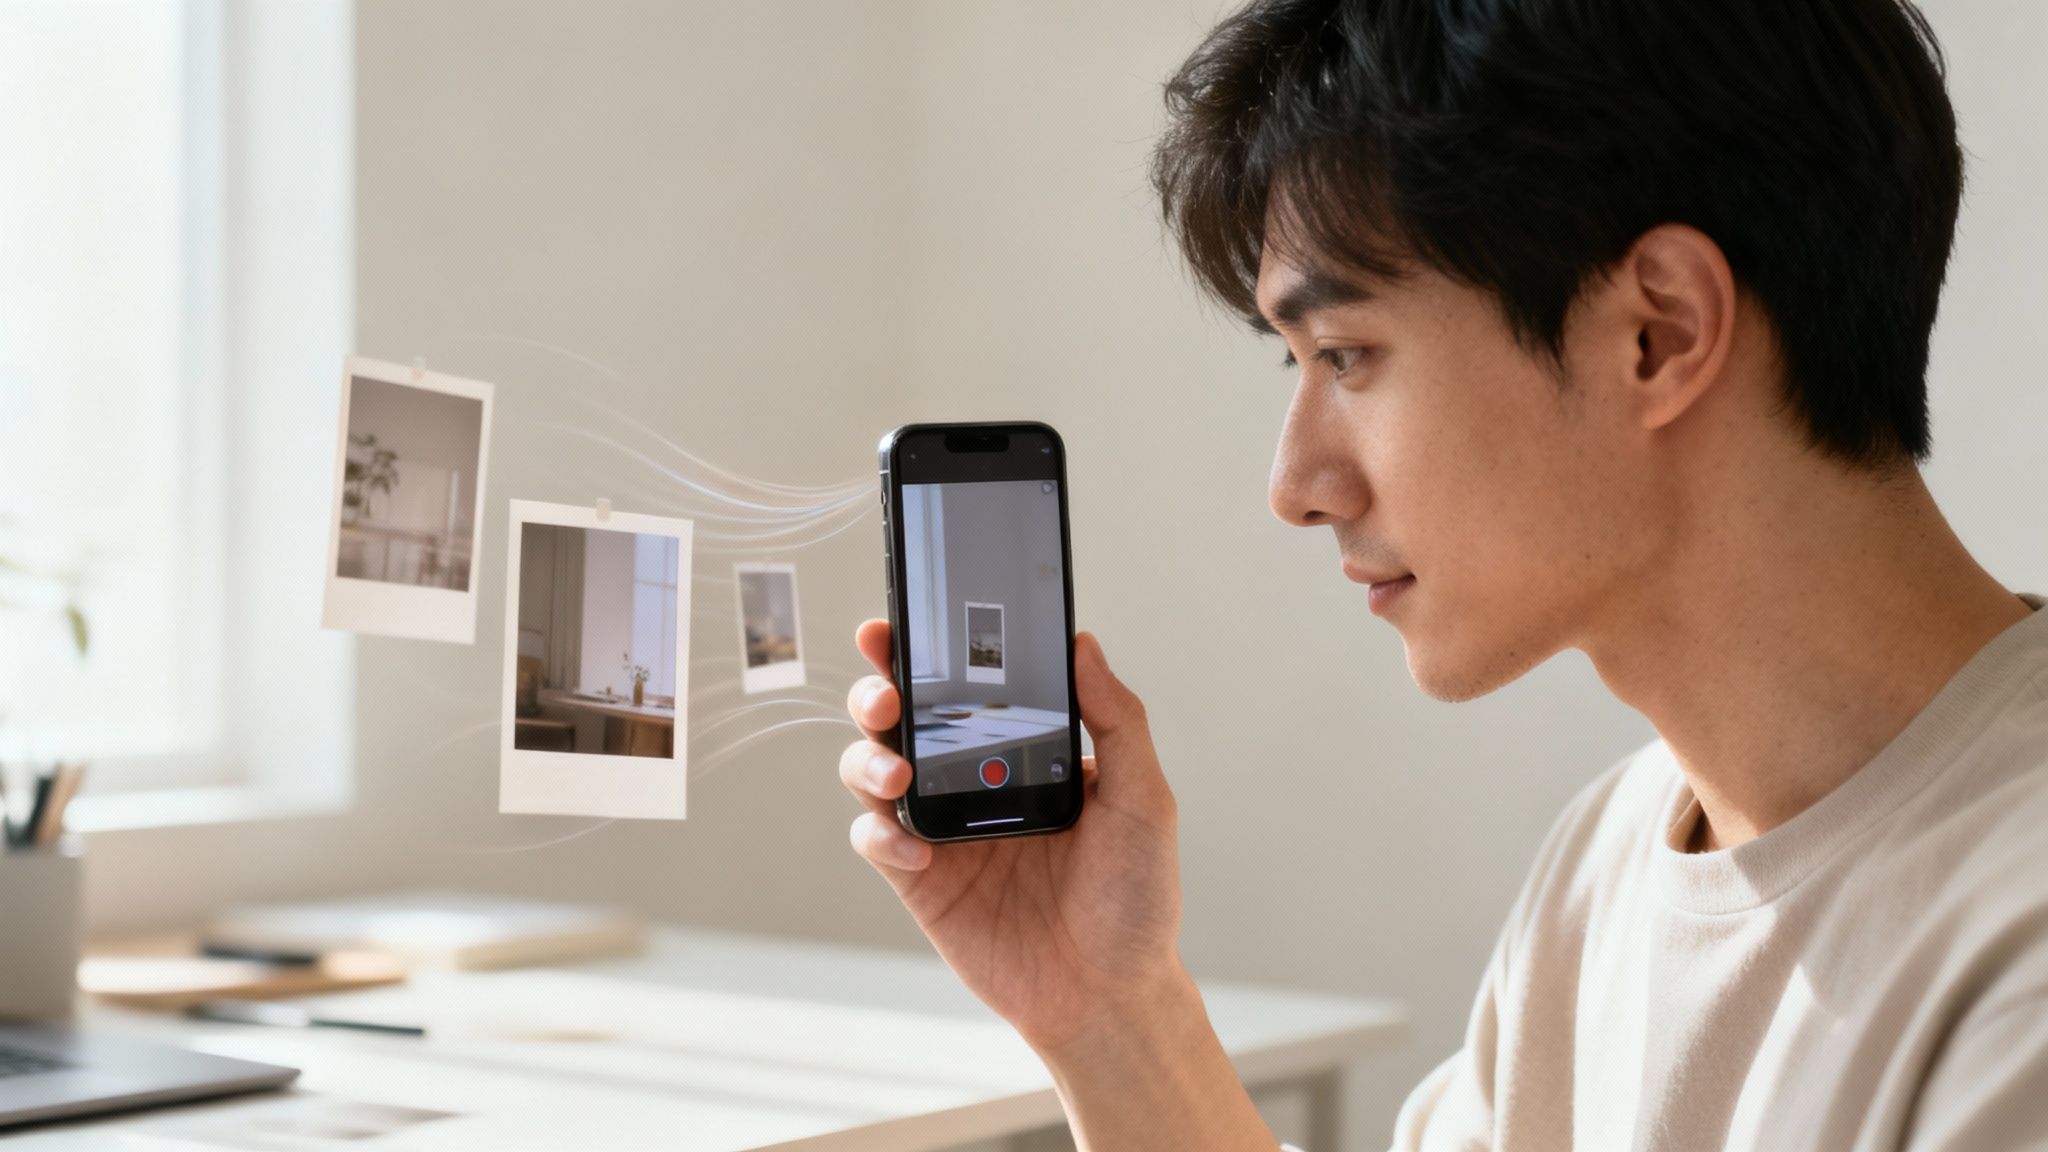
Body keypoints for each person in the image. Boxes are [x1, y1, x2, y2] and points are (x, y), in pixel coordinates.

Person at [837, 0, 2048, 1147]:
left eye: (1347, 355)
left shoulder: (2016, 944)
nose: (1295, 483)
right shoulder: (1613, 854)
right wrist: (1104, 1010)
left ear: (1658, 333)